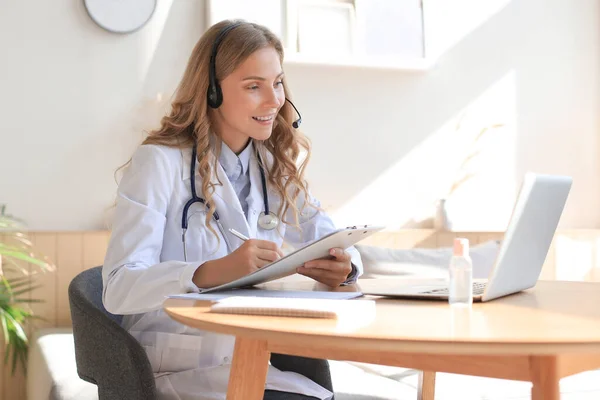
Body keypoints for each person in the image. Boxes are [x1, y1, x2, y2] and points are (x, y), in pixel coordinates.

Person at [102, 19, 363, 400]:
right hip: (176, 370)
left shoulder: (273, 167)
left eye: (277, 83)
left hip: (251, 361)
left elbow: (330, 235)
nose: (274, 101)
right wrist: (211, 272)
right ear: (211, 91)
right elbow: (119, 288)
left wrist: (346, 265)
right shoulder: (160, 162)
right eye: (253, 86)